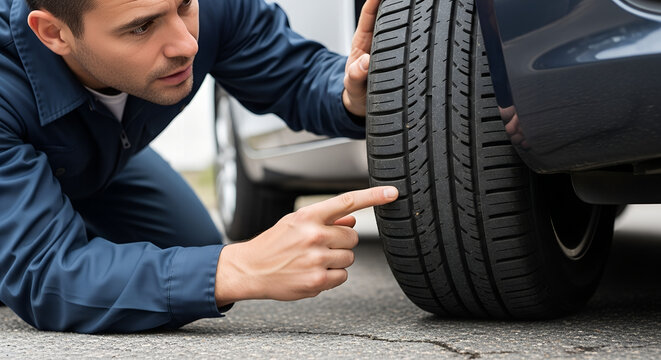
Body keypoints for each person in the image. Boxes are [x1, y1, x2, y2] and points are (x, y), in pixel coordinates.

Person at [0, 0, 399, 333]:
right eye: (141, 28)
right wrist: (240, 266)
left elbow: (293, 76)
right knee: (208, 273)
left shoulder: (211, 8)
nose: (186, 43)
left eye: (184, 4)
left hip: (103, 165)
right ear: (54, 34)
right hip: (17, 165)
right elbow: (47, 272)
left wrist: (349, 93)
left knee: (192, 251)